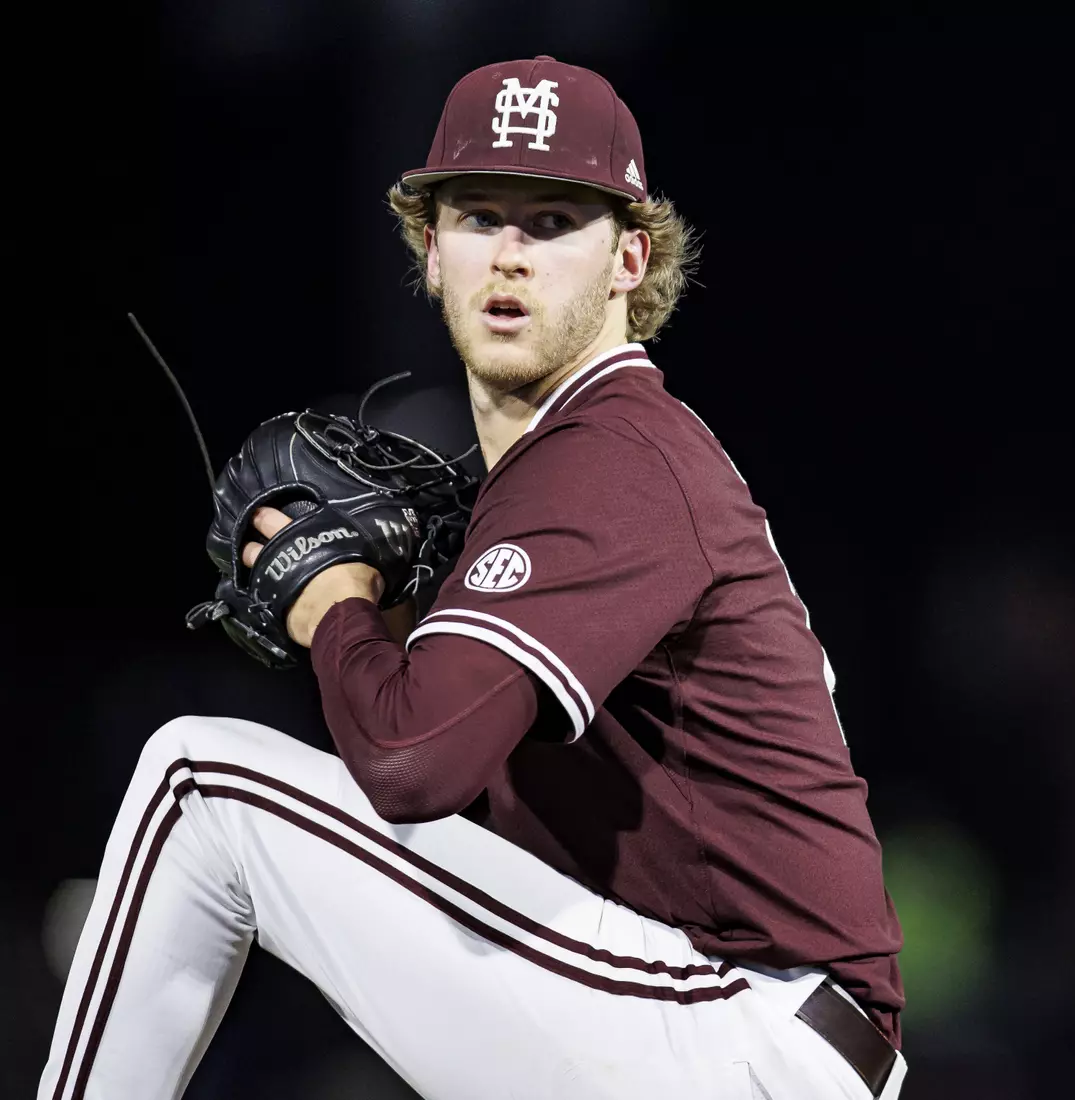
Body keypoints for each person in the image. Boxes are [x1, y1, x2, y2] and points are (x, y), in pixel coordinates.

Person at [39, 55, 906, 1100]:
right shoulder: (561, 472)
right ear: (429, 248)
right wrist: (394, 623)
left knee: (198, 781)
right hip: (707, 1019)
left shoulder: (611, 454)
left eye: (551, 222)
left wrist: (336, 606)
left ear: (630, 258)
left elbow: (411, 766)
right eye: (479, 215)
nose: (510, 254)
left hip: (738, 1023)